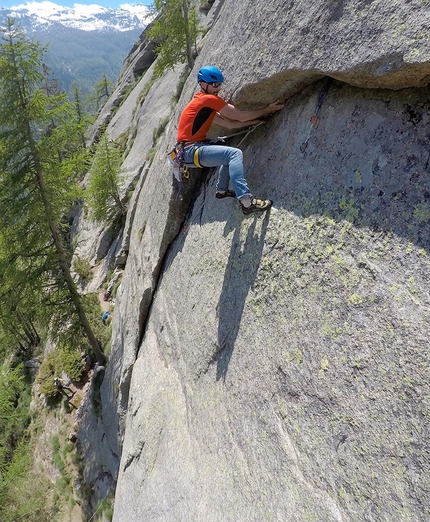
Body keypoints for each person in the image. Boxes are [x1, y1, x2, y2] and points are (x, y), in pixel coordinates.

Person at [177, 65, 284, 214]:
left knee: (227, 158)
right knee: (234, 154)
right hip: (191, 150)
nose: (218, 88)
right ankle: (247, 202)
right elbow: (239, 115)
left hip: (188, 154)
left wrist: (252, 122)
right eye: (214, 85)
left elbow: (229, 124)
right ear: (203, 84)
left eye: (219, 84)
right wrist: (267, 109)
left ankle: (221, 190)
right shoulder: (208, 100)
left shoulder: (202, 105)